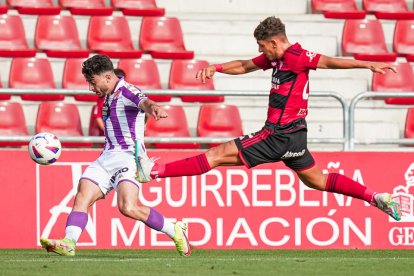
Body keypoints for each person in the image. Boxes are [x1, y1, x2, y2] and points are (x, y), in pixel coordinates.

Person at [135, 16, 402, 221]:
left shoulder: (296, 56)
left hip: (279, 133)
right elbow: (244, 65)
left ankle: (152, 172)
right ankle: (377, 197)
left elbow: (329, 62)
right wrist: (216, 67)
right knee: (317, 180)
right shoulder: (276, 59)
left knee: (216, 154)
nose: (263, 51)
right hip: (295, 134)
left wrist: (367, 64)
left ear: (275, 42)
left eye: (264, 46)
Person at [40, 54, 191, 257]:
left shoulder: (127, 91)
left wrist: (153, 107)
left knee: (128, 207)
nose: (91, 88)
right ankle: (69, 242)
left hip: (128, 156)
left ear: (108, 78)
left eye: (93, 82)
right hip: (106, 157)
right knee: (82, 196)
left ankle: (174, 230)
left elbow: (143, 102)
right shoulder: (108, 97)